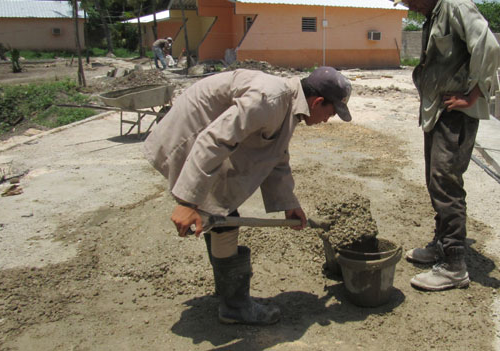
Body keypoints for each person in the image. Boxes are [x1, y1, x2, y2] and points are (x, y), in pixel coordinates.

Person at [143, 66, 352, 325]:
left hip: (205, 137)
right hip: (189, 135)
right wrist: (188, 201)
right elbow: (214, 140)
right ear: (318, 101)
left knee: (219, 211)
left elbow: (276, 155)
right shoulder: (271, 99)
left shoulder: (287, 106)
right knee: (221, 213)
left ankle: (228, 291)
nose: (327, 119)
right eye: (331, 113)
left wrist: (289, 203)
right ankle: (234, 305)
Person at [393, 0, 500, 291]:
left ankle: (454, 265)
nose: (411, 8)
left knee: (446, 183)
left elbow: (489, 47)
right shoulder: (436, 13)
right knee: (435, 181)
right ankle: (442, 244)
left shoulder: (456, 4)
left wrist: (474, 94)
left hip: (455, 114)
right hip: (438, 112)